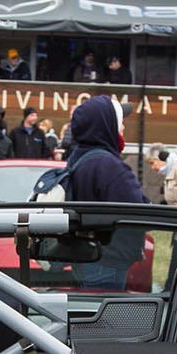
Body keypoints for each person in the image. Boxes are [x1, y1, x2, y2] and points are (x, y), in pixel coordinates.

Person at [59, 96, 146, 289]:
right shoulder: (108, 165)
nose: (123, 126)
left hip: (88, 256)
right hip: (108, 261)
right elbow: (139, 210)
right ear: (106, 125)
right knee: (104, 309)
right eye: (120, 121)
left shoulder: (80, 156)